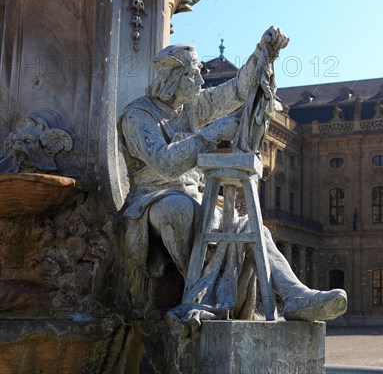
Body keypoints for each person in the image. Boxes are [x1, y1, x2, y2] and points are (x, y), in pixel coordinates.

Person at [118, 27, 346, 327]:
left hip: (194, 195)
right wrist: (209, 134)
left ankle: (296, 295)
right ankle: (199, 295)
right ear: (172, 78)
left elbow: (238, 90)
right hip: (152, 198)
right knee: (178, 208)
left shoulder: (191, 108)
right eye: (193, 75)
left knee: (252, 227)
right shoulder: (138, 116)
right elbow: (165, 164)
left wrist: (263, 54)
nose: (201, 81)